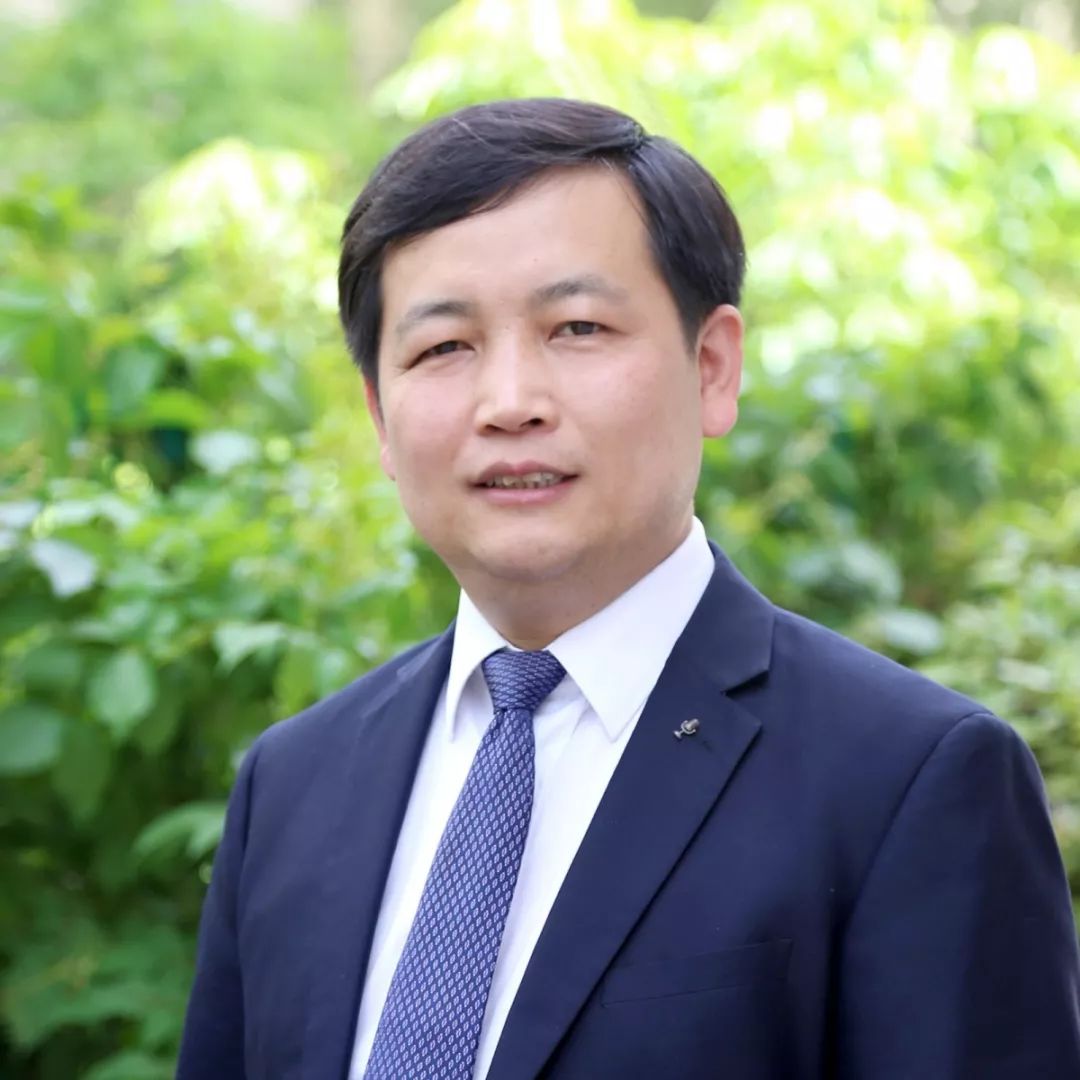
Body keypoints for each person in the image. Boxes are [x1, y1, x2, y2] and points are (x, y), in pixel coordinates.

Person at [177, 98, 1080, 1079]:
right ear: (379, 416)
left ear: (713, 367)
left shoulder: (910, 782)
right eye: (444, 348)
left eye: (576, 327)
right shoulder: (293, 783)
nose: (510, 403)